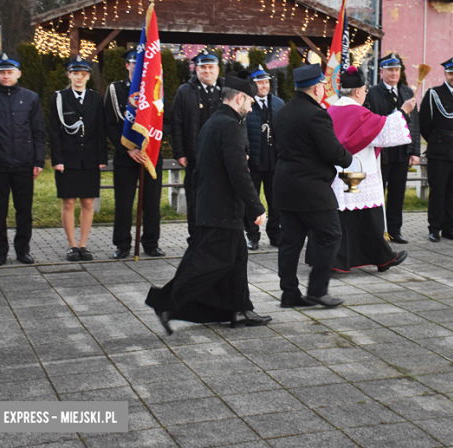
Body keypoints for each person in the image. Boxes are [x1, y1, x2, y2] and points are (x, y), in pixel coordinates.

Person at [146, 75, 270, 335]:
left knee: (237, 258)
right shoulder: (230, 126)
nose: (250, 106)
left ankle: (240, 309)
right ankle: (166, 304)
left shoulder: (213, 123)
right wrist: (256, 206)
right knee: (207, 264)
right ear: (239, 98)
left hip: (212, 207)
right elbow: (238, 172)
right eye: (249, 101)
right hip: (221, 211)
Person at [310, 65, 413, 272]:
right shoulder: (359, 113)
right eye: (365, 90)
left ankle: (337, 261)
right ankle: (381, 258)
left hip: (337, 174)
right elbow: (385, 130)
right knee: (366, 217)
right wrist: (404, 111)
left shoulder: (332, 109)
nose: (366, 94)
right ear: (358, 91)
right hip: (357, 172)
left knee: (342, 217)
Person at [274, 64, 352, 308]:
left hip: (285, 185)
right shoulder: (316, 114)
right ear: (317, 87)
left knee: (290, 242)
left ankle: (289, 294)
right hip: (312, 188)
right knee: (331, 234)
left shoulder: (282, 112)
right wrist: (347, 157)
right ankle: (317, 290)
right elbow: (332, 151)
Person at [0, 54, 46, 266]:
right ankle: (0, 251)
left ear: (18, 73)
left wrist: (38, 160)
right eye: (1, 72)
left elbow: (38, 132)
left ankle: (23, 250)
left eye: (9, 72)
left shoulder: (30, 98)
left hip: (24, 164)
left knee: (24, 210)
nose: (5, 76)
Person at [105, 48, 170, 259]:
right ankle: (122, 245)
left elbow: (165, 121)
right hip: (126, 156)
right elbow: (109, 124)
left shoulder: (156, 89)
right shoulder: (116, 90)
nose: (138, 66)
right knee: (123, 203)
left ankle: (151, 243)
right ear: (127, 65)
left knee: (152, 202)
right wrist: (129, 149)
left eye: (142, 63)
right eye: (134, 63)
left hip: (150, 155)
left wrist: (150, 144)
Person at [49, 57, 107, 261]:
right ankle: (72, 245)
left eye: (83, 74)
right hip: (67, 157)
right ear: (69, 75)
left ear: (88, 76)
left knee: (88, 202)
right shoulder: (59, 98)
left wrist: (102, 157)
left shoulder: (96, 98)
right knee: (68, 202)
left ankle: (84, 244)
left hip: (90, 157)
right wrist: (56, 159)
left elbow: (101, 129)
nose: (79, 78)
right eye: (75, 74)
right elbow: (54, 131)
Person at [364, 53, 420, 244]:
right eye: (390, 70)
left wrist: (415, 151)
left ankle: (395, 230)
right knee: (378, 192)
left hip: (401, 152)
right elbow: (369, 121)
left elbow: (414, 124)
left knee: (397, 193)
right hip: (382, 153)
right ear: (381, 73)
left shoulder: (407, 92)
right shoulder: (372, 93)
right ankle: (378, 231)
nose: (394, 73)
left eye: (397, 70)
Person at [171, 49, 224, 240]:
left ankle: (216, 236)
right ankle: (195, 237)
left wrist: (243, 150)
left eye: (211, 67)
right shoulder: (185, 91)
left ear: (218, 69)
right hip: (195, 157)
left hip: (221, 157)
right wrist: (179, 152)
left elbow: (240, 122)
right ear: (196, 70)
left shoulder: (226, 91)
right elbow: (176, 123)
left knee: (219, 199)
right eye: (203, 68)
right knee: (195, 200)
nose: (207, 71)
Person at [420, 57, 453, 242]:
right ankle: (434, 228)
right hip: (439, 151)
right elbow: (424, 123)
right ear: (445, 74)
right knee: (438, 191)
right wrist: (437, 142)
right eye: (451, 74)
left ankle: (449, 227)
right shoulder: (434, 93)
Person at [245, 64, 284, 250]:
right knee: (252, 201)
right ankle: (253, 236)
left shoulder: (278, 103)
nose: (264, 86)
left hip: (274, 161)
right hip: (254, 161)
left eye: (266, 82)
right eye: (260, 83)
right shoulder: (246, 103)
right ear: (253, 85)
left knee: (275, 201)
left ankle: (275, 234)